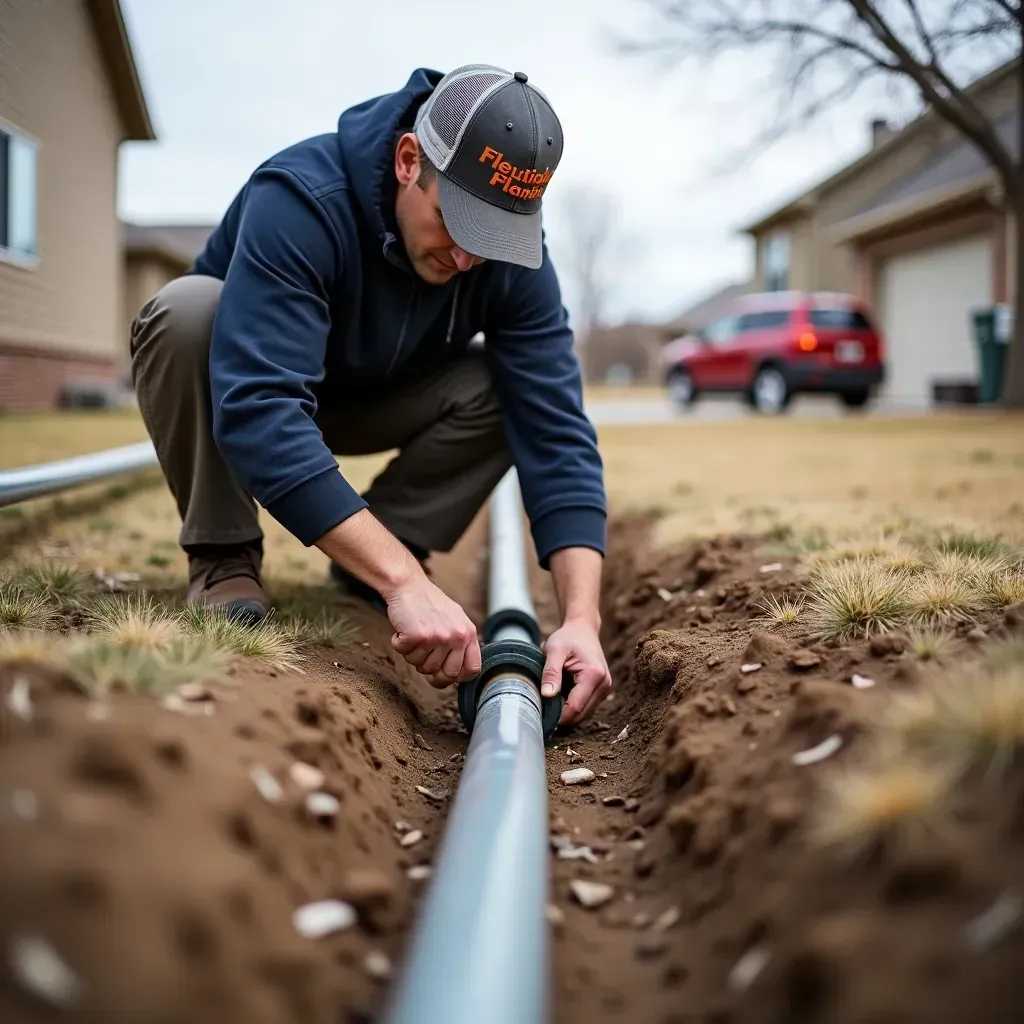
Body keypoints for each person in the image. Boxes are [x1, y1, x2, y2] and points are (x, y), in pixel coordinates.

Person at [130, 64, 612, 725]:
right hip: (251, 385)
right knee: (186, 312)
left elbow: (556, 429)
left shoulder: (508, 261)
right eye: (454, 223)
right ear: (410, 161)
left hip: (382, 398)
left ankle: (378, 553)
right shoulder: (301, 197)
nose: (467, 259)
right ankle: (223, 555)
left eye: (491, 239)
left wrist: (582, 618)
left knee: (510, 391)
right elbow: (260, 408)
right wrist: (406, 582)